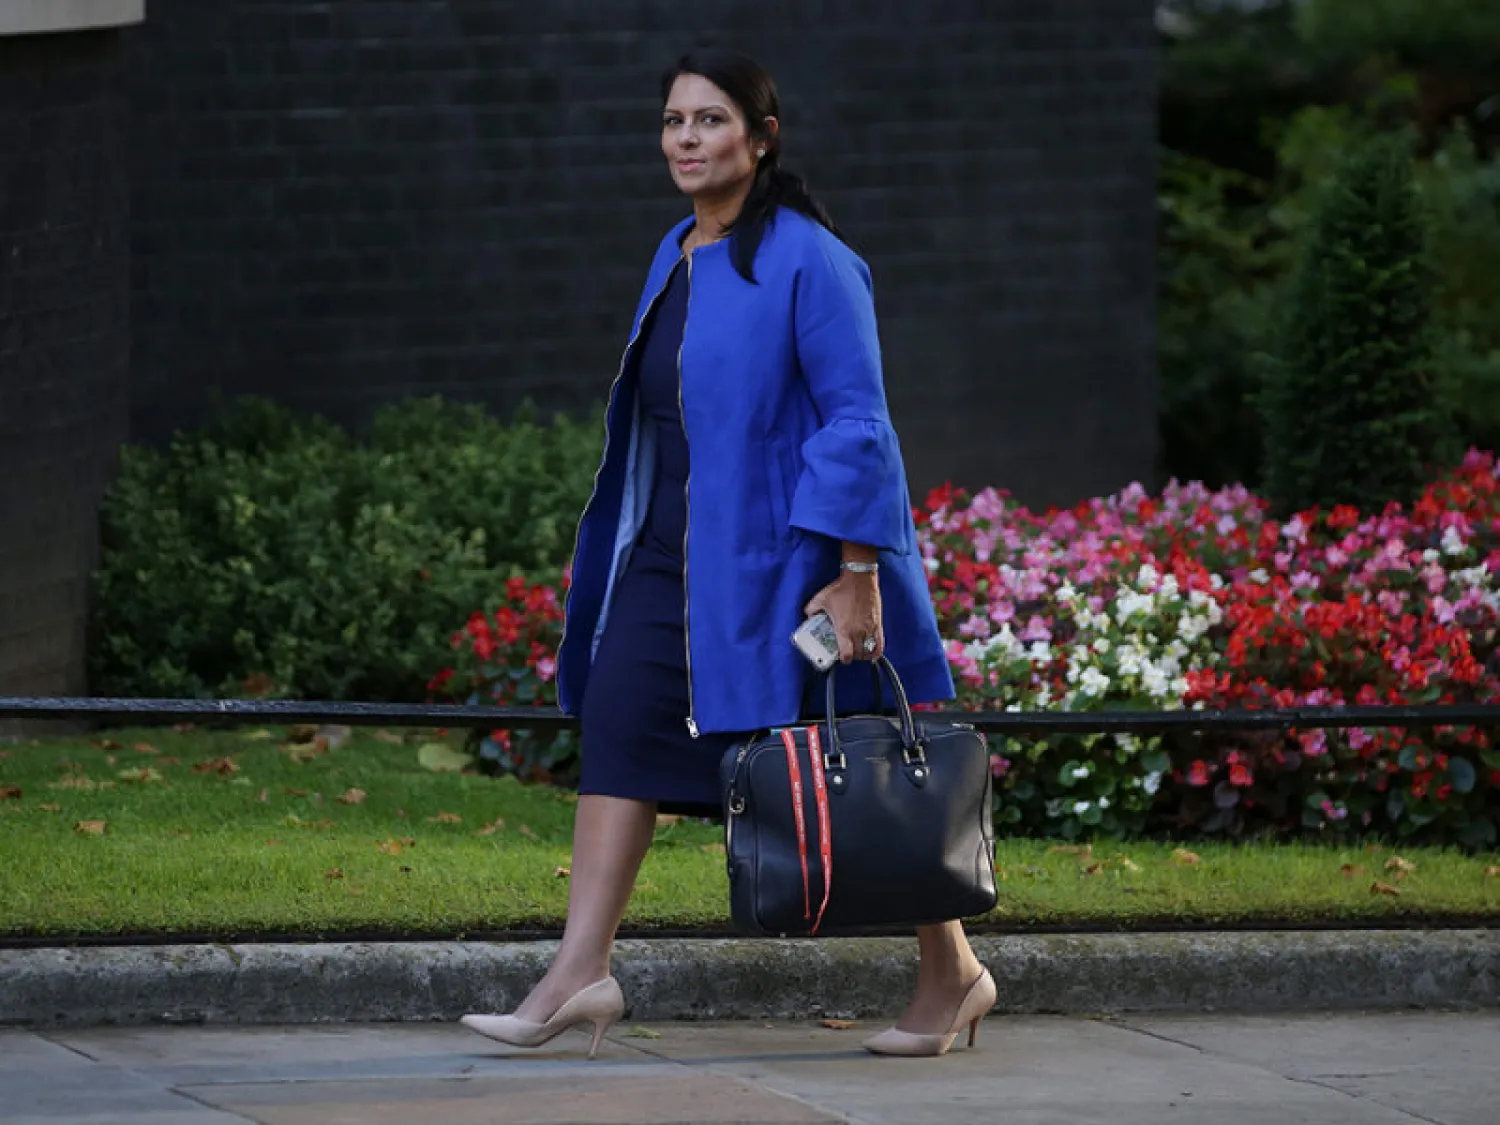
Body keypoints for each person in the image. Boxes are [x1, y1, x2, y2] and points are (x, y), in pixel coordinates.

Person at [460, 47, 995, 1060]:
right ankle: (579, 973)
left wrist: (859, 573)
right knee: (619, 721)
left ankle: (953, 970)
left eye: (710, 122)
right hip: (671, 560)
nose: (687, 141)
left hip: (793, 571)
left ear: (761, 138)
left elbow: (857, 422)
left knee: (865, 759)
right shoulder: (674, 252)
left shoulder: (811, 259)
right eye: (673, 122)